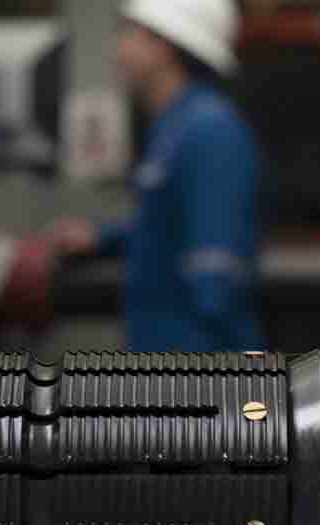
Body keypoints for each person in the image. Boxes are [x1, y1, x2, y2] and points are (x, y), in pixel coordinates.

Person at [50, 0, 264, 353]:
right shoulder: (176, 128)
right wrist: (100, 238)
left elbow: (216, 275)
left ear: (162, 45)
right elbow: (171, 225)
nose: (116, 49)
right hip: (166, 371)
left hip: (197, 377)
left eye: (128, 32)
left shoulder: (211, 132)